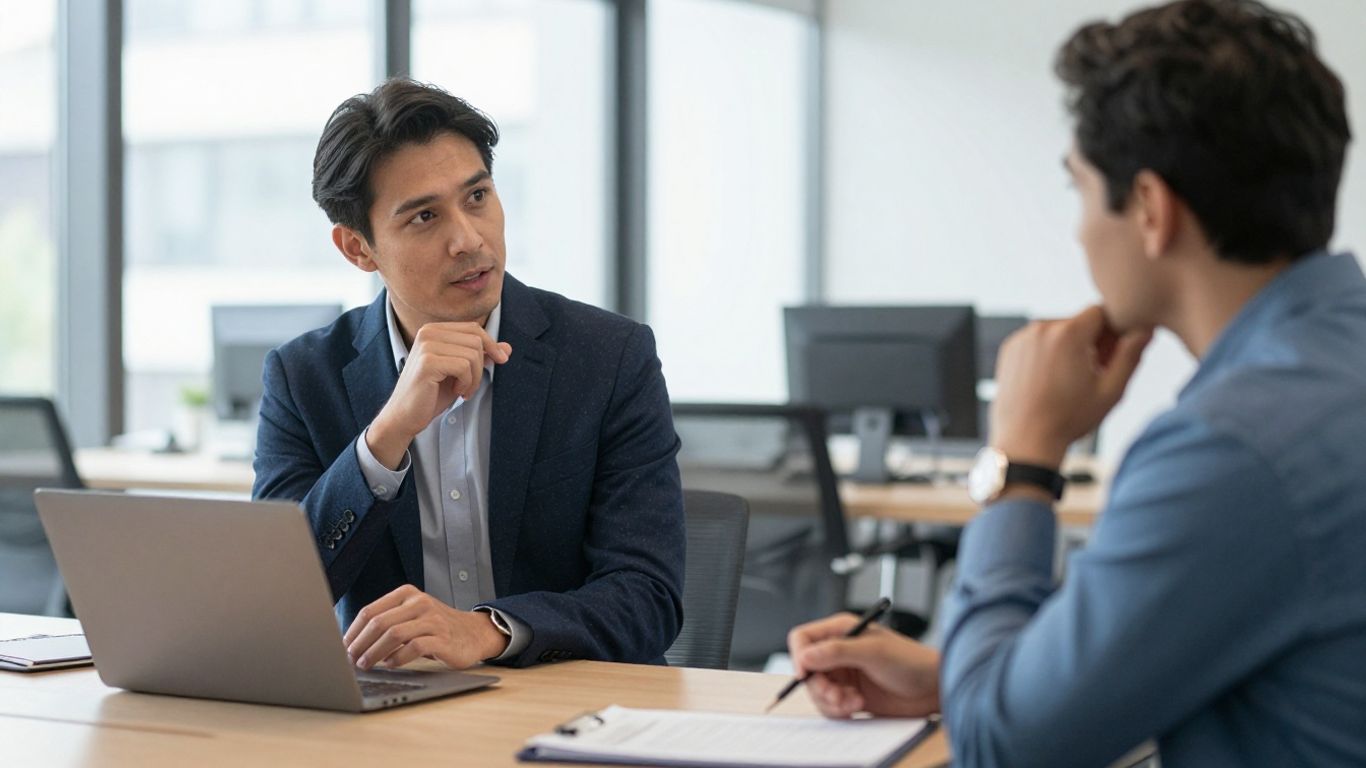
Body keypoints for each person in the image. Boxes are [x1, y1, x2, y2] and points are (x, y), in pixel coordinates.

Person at [788, 1, 1366, 765]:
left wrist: (1022, 461)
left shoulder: (1232, 446)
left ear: (1152, 211)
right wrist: (959, 676)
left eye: (1079, 189)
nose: (1079, 230)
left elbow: (1004, 748)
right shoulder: (1334, 370)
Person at [252, 79, 684, 671]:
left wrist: (488, 631)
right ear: (358, 248)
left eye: (477, 196)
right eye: (425, 216)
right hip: (391, 724)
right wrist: (384, 440)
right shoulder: (303, 378)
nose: (468, 239)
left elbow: (649, 595)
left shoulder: (609, 357)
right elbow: (274, 598)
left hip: (572, 708)